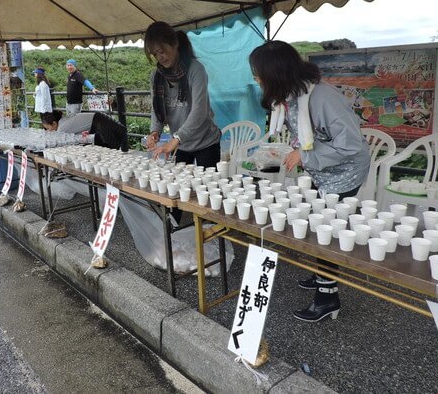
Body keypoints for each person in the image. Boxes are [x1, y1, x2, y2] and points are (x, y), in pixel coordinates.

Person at [249, 40, 370, 323]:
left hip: (346, 171)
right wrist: (292, 151)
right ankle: (322, 275)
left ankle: (327, 297)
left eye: (258, 73)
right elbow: (304, 135)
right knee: (318, 222)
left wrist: (303, 157)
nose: (255, 79)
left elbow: (351, 146)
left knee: (324, 230)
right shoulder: (293, 93)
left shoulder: (323, 98)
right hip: (322, 169)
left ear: (275, 74)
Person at [144, 21, 221, 168]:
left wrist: (176, 138)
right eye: (155, 54)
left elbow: (199, 111)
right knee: (181, 187)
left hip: (205, 142)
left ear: (174, 43)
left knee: (207, 188)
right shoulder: (156, 77)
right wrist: (155, 131)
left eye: (162, 51)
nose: (160, 57)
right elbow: (157, 108)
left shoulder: (195, 70)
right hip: (181, 144)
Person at [41, 110, 128, 151]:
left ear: (54, 123)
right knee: (112, 146)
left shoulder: (61, 128)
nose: (49, 131)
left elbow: (58, 142)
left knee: (114, 150)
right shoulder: (62, 121)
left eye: (48, 128)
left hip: (100, 122)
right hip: (98, 120)